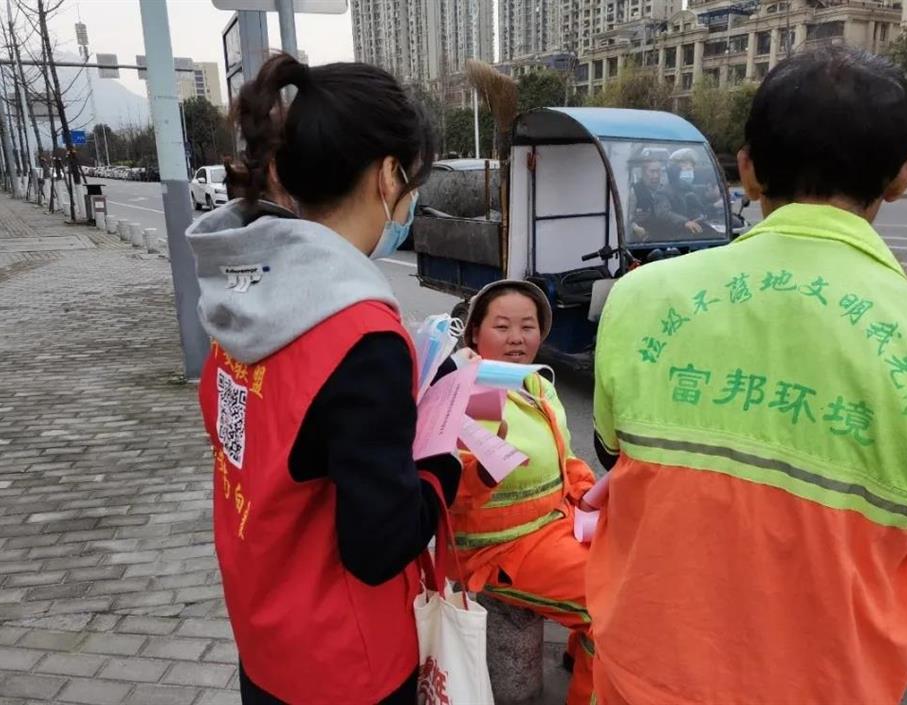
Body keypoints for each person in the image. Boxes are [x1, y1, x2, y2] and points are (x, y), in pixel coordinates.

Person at [590, 46, 907, 705]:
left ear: (746, 169)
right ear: (906, 171)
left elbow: (612, 455)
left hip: (638, 679)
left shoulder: (640, 297)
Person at [186, 54, 461, 705]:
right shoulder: (362, 337)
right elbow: (378, 546)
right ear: (388, 175)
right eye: (412, 181)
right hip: (348, 667)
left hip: (265, 639)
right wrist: (443, 461)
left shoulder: (244, 295)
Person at [451, 280, 598, 705]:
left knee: (633, 565)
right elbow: (450, 492)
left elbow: (566, 456)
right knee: (613, 606)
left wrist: (590, 498)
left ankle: (579, 655)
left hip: (555, 525)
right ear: (475, 333)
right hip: (499, 549)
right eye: (502, 326)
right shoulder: (470, 391)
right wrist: (484, 471)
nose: (517, 338)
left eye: (527, 327)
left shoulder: (535, 383)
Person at [630, 157, 703, 238]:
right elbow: (627, 220)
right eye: (652, 171)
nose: (656, 175)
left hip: (668, 238)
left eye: (658, 171)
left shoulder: (668, 189)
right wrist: (635, 228)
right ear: (643, 172)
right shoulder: (635, 191)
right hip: (645, 240)